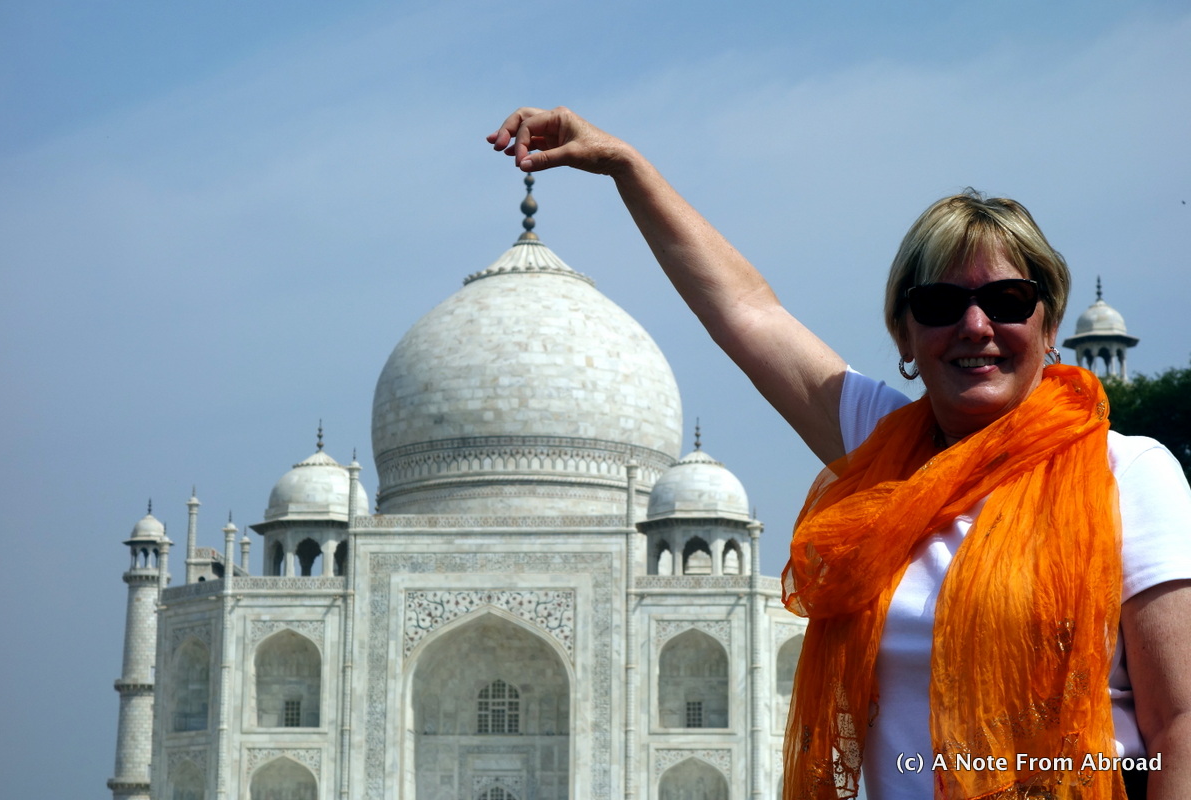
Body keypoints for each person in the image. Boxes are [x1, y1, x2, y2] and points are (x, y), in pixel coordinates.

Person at [488, 107, 1191, 800]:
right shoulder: (890, 459)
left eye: (1008, 300)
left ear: (1049, 323)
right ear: (904, 335)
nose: (976, 326)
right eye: (940, 305)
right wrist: (626, 166)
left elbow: (1179, 723)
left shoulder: (1127, 475)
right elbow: (746, 310)